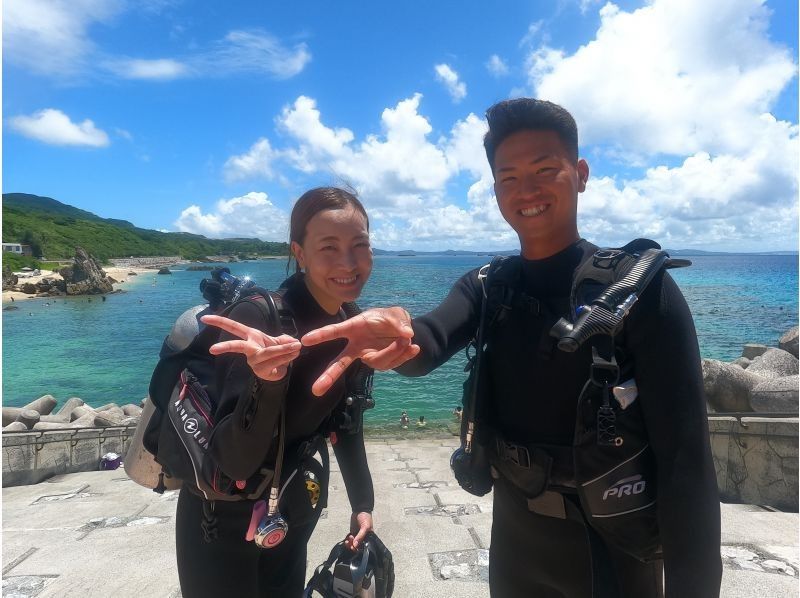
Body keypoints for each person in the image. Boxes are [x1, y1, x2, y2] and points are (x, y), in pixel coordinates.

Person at [302, 99, 722, 597]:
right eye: (509, 178)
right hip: (516, 547)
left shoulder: (638, 294)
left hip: (615, 552)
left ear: (581, 173)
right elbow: (430, 339)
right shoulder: (488, 286)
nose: (527, 191)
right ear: (497, 190)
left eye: (546, 170)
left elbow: (686, 463)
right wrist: (398, 338)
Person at [174, 187, 407, 598]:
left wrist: (362, 503)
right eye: (328, 247)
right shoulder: (259, 320)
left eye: (360, 245)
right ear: (299, 252)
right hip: (220, 519)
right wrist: (268, 383)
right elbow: (234, 462)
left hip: (290, 509)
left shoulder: (350, 323)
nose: (348, 263)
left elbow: (346, 421)